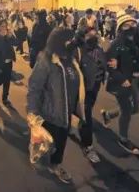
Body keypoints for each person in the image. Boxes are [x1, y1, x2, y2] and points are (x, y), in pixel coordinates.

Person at [27, 27, 85, 184]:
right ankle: (41, 164)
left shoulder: (71, 58)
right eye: (69, 40)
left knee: (61, 142)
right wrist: (32, 112)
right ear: (59, 42)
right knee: (49, 144)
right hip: (50, 113)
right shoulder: (46, 61)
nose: (72, 42)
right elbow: (34, 88)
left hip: (68, 111)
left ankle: (55, 166)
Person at [100, 11, 139, 155]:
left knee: (135, 109)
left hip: (137, 80)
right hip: (123, 82)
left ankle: (108, 115)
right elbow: (109, 65)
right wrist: (122, 79)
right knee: (127, 110)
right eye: (126, 25)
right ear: (120, 28)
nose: (130, 26)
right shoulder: (117, 44)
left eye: (132, 23)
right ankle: (123, 138)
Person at [75, 26, 108, 163]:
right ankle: (87, 146)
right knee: (86, 116)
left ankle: (77, 123)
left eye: (95, 34)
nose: (94, 36)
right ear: (83, 37)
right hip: (81, 89)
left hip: (95, 86)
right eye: (89, 35)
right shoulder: (78, 51)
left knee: (85, 112)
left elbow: (104, 64)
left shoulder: (99, 49)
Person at [0, 19, 17, 107]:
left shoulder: (8, 34)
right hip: (0, 62)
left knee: (7, 81)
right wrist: (1, 37)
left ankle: (5, 98)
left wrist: (10, 36)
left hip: (9, 61)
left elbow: (16, 43)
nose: (4, 28)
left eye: (5, 26)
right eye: (2, 26)